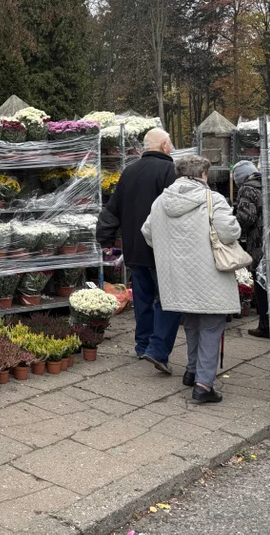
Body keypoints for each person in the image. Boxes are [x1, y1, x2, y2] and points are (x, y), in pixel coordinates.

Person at [141, 155, 242, 404]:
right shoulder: (213, 199)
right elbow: (230, 232)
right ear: (203, 174)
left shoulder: (161, 201)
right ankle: (203, 385)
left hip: (176, 275)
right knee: (211, 325)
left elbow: (148, 232)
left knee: (192, 322)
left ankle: (192, 369)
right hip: (209, 273)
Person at [97, 128, 180, 368]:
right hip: (161, 249)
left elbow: (111, 210)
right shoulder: (169, 171)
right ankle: (157, 348)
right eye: (171, 143)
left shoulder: (129, 171)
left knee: (142, 300)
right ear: (164, 145)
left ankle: (142, 346)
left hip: (134, 249)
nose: (172, 147)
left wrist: (106, 242)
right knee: (168, 300)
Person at [233, 161, 267, 338]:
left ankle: (265, 325)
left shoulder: (247, 188)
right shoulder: (268, 182)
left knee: (261, 283)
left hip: (259, 240)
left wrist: (233, 227)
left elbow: (247, 217)